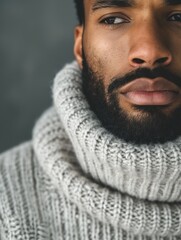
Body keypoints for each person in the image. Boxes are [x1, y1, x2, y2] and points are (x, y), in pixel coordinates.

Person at [0, 0, 181, 238]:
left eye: (178, 18)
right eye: (113, 19)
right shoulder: (6, 201)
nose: (149, 52)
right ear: (80, 48)